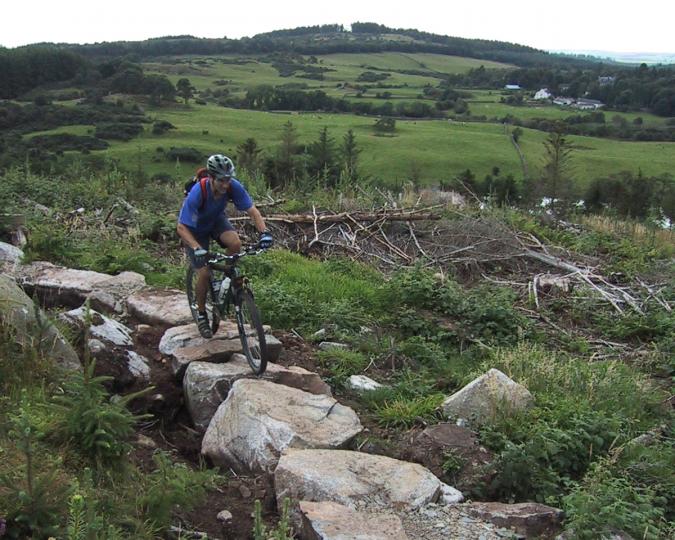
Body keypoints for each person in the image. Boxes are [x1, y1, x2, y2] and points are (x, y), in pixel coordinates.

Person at [177, 154, 273, 338]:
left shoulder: (232, 186)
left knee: (235, 243)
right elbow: (181, 227)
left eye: (228, 179)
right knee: (204, 273)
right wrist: (197, 248)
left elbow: (253, 211)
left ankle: (225, 282)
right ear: (211, 178)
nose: (225, 184)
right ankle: (202, 312)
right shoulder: (198, 192)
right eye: (221, 180)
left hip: (214, 221)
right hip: (194, 231)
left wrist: (264, 233)